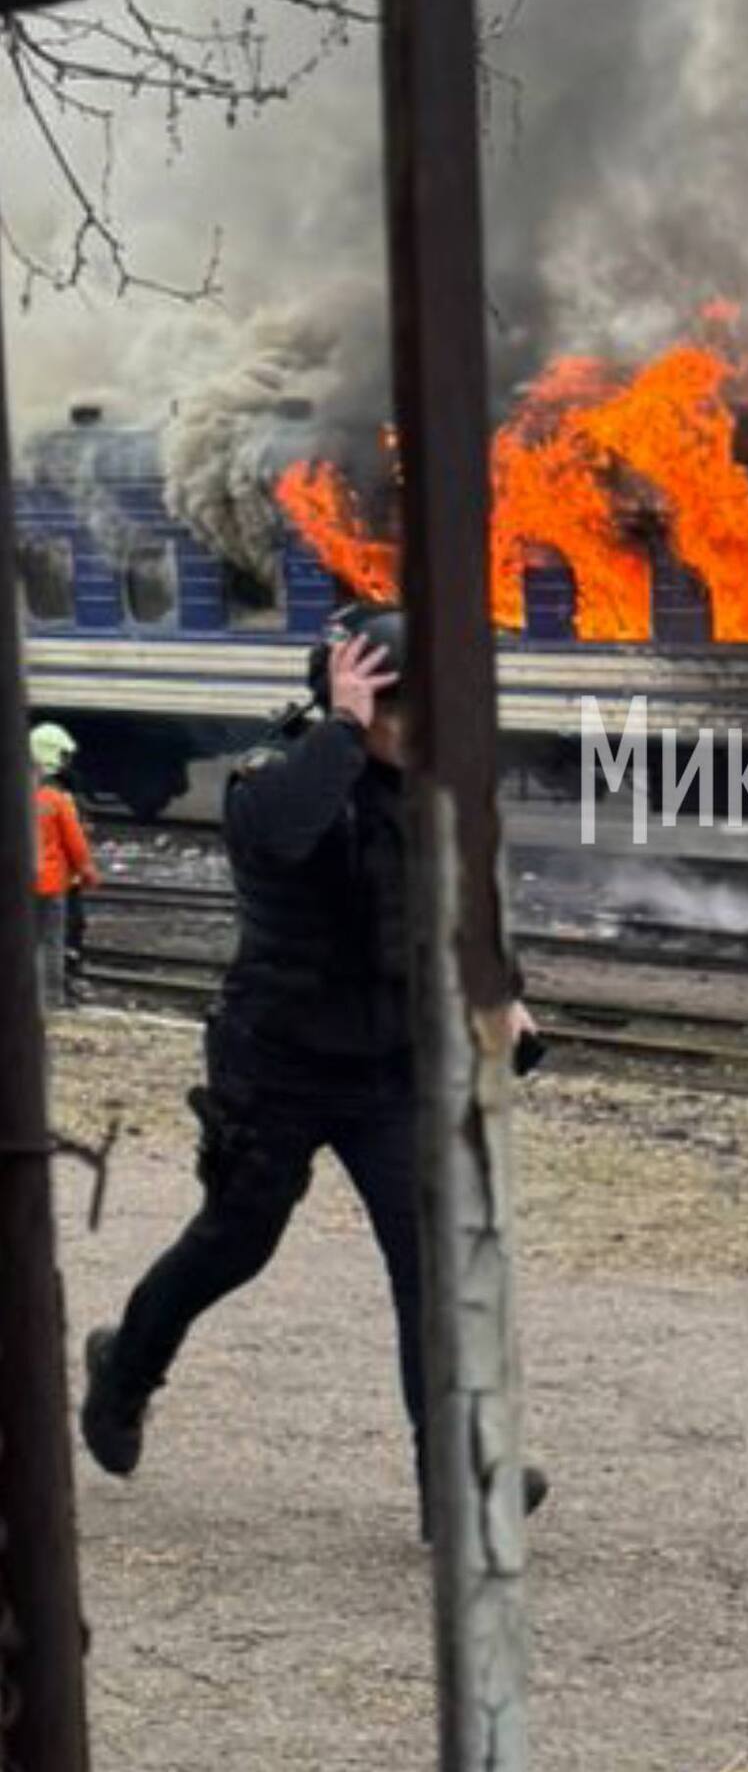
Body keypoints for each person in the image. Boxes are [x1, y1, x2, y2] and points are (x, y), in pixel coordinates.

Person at [79, 604, 547, 1538]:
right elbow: (287, 836)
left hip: (388, 1067)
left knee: (428, 1268)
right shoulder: (271, 788)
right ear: (361, 703)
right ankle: (122, 1374)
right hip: (276, 1067)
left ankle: (450, 1487)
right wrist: (338, 723)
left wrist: (504, 992)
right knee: (234, 1241)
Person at [32, 722, 99, 1010]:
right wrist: (88, 872)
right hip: (51, 882)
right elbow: (76, 843)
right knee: (52, 942)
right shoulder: (57, 799)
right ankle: (52, 999)